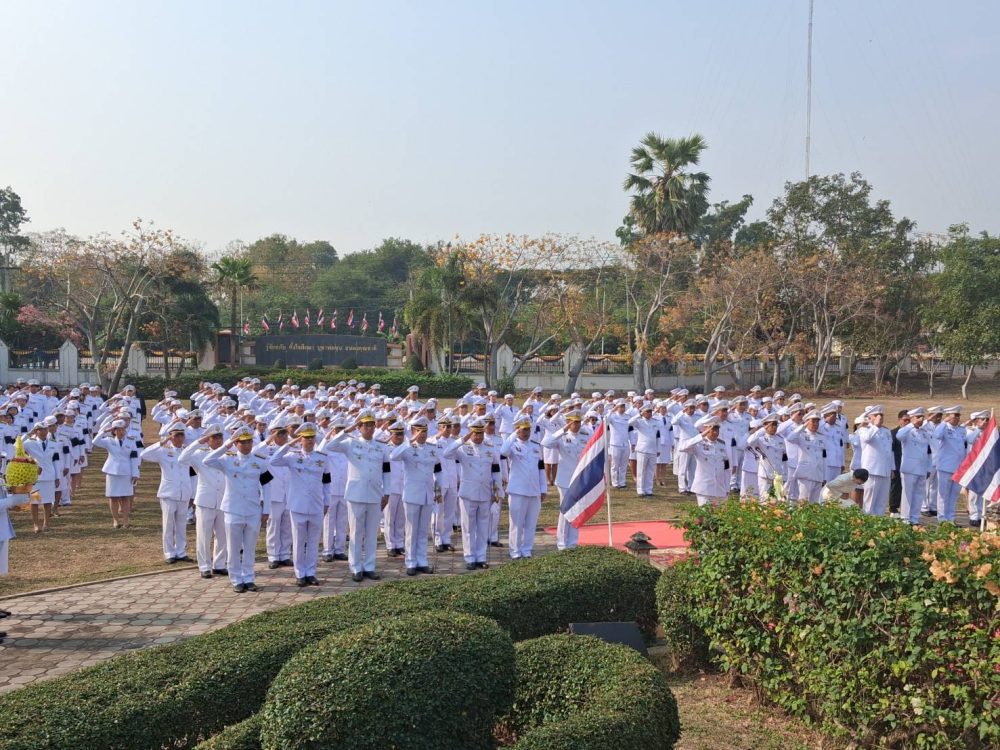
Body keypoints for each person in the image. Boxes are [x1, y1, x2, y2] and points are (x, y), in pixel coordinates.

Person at [324, 409, 393, 582]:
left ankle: (369, 566)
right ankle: (355, 567)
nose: (369, 428)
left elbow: (387, 471)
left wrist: (387, 492)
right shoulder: (350, 442)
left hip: (376, 493)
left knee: (371, 532)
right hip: (356, 494)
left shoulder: (381, 446)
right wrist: (347, 430)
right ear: (359, 427)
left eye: (371, 425)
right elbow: (330, 446)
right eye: (365, 425)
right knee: (356, 532)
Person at [204, 427, 271, 593]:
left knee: (250, 547)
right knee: (233, 547)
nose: (246, 445)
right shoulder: (227, 459)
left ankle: (249, 577)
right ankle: (236, 579)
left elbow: (267, 486)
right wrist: (227, 444)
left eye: (249, 442)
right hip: (233, 509)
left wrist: (266, 509)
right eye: (242, 442)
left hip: (253, 508)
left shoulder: (260, 460)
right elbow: (207, 460)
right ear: (236, 443)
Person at [270, 422, 331, 586]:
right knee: (298, 540)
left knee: (313, 541)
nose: (310, 440)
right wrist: (289, 444)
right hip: (298, 505)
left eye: (312, 437)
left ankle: (311, 572)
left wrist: (327, 502)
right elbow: (274, 460)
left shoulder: (322, 458)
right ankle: (299, 573)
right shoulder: (292, 456)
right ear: (300, 439)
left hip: (316, 504)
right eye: (306, 438)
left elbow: (327, 482)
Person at [442, 418, 503, 568]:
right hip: (468, 493)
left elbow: (496, 470)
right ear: (471, 433)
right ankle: (469, 558)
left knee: (483, 526)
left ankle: (481, 557)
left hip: (485, 492)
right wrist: (463, 439)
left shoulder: (490, 448)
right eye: (476, 433)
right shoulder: (463, 447)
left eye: (481, 433)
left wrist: (497, 490)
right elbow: (446, 453)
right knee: (468, 527)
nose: (479, 437)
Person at [389, 416, 442, 575]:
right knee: (411, 530)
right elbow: (393, 456)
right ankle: (411, 562)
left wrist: (439, 489)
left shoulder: (432, 448)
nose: (422, 434)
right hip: (412, 494)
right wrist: (409, 441)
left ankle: (422, 561)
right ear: (412, 431)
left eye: (424, 431)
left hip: (427, 494)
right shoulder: (407, 448)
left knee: (423, 530)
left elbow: (438, 469)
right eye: (419, 431)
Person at [178, 425, 228, 578]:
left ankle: (219, 564)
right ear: (208, 440)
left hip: (223, 500)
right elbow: (182, 458)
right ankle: (205, 566)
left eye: (220, 437)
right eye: (214, 437)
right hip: (205, 500)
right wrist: (199, 442)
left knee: (223, 535)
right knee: (204, 535)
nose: (218, 440)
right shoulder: (200, 454)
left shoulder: (227, 454)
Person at [140, 423, 192, 563]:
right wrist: (162, 442)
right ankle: (169, 553)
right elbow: (143, 454)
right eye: (176, 435)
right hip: (168, 492)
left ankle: (181, 551)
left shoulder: (187, 451)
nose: (179, 438)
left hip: (184, 492)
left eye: (181, 435)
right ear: (170, 436)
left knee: (181, 525)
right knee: (168, 524)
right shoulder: (163, 451)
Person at [540, 409, 589, 550]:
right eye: (574, 422)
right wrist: (563, 430)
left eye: (578, 422)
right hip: (565, 479)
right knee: (565, 510)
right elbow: (545, 443)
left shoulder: (585, 435)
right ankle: (562, 542)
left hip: (580, 479)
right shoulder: (561, 436)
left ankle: (572, 542)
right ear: (568, 422)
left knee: (576, 510)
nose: (577, 425)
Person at [500, 415, 547, 560]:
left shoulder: (535, 445)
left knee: (531, 523)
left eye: (528, 429)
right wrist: (513, 434)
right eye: (523, 430)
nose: (526, 432)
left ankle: (527, 549)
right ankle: (515, 550)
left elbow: (541, 468)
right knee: (516, 523)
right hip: (517, 490)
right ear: (517, 430)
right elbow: (503, 452)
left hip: (534, 490)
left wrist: (543, 488)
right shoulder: (512, 444)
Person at [93, 419, 139, 529]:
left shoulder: (131, 441)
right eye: (118, 430)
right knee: (113, 497)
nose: (121, 432)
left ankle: (126, 521)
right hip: (112, 471)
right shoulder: (109, 441)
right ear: (114, 431)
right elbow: (95, 441)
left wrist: (135, 473)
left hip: (126, 472)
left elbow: (134, 458)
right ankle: (115, 520)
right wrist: (105, 431)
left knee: (125, 497)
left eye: (122, 429)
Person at [677, 415, 730, 506]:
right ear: (705, 430)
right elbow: (682, 448)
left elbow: (726, 467)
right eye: (712, 430)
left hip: (719, 487)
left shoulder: (722, 444)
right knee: (705, 512)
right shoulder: (698, 444)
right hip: (704, 488)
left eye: (717, 430)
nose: (715, 432)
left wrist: (727, 487)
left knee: (720, 513)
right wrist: (701, 435)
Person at [896, 408, 932, 526]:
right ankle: (905, 517)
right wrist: (911, 424)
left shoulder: (924, 433)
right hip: (909, 468)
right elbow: (899, 436)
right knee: (908, 494)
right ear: (911, 418)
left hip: (922, 468)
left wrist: (928, 468)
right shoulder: (906, 430)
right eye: (917, 417)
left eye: (922, 417)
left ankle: (914, 518)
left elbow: (928, 452)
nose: (920, 419)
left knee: (919, 494)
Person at [857, 405, 893, 516]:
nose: (879, 417)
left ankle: (879, 522)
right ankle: (868, 523)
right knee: (869, 502)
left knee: (882, 502)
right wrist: (875, 426)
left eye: (881, 415)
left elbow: (889, 451)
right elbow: (867, 439)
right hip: (872, 470)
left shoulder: (886, 431)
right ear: (869, 418)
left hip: (885, 470)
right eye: (876, 415)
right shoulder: (864, 429)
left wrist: (892, 468)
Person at [933, 406, 967, 523]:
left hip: (958, 467)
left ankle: (950, 519)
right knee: (943, 494)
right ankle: (942, 519)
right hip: (945, 467)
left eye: (958, 416)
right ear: (948, 416)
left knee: (954, 495)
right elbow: (937, 435)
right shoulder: (943, 428)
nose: (957, 418)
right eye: (954, 416)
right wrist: (945, 421)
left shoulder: (961, 430)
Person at [785, 411, 827, 503]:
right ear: (807, 422)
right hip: (806, 474)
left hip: (818, 474)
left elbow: (823, 458)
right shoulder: (801, 435)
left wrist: (824, 476)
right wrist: (803, 426)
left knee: (815, 504)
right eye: (813, 421)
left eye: (817, 421)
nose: (816, 424)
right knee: (803, 502)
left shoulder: (821, 437)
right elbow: (790, 438)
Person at [888, 410, 908, 518]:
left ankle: (905, 509)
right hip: (897, 464)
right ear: (899, 420)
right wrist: (892, 467)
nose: (907, 422)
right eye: (905, 420)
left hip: (909, 465)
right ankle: (893, 508)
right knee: (896, 487)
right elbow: (891, 451)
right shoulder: (893, 433)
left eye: (909, 420)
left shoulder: (912, 433)